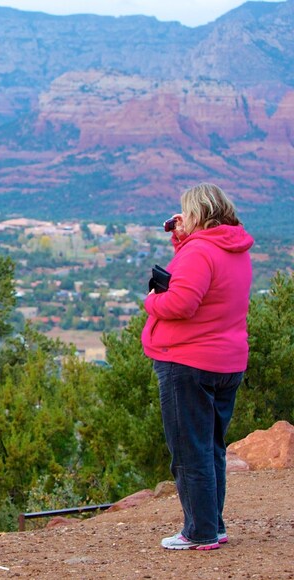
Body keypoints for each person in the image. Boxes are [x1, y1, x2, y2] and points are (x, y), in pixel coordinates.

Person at [141, 183, 254, 550]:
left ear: (199, 213)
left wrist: (151, 301)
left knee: (190, 451)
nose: (182, 218)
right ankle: (212, 525)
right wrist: (182, 241)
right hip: (227, 362)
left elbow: (181, 303)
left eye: (186, 212)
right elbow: (205, 285)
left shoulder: (200, 252)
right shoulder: (233, 249)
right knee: (211, 447)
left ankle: (199, 532)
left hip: (187, 362)